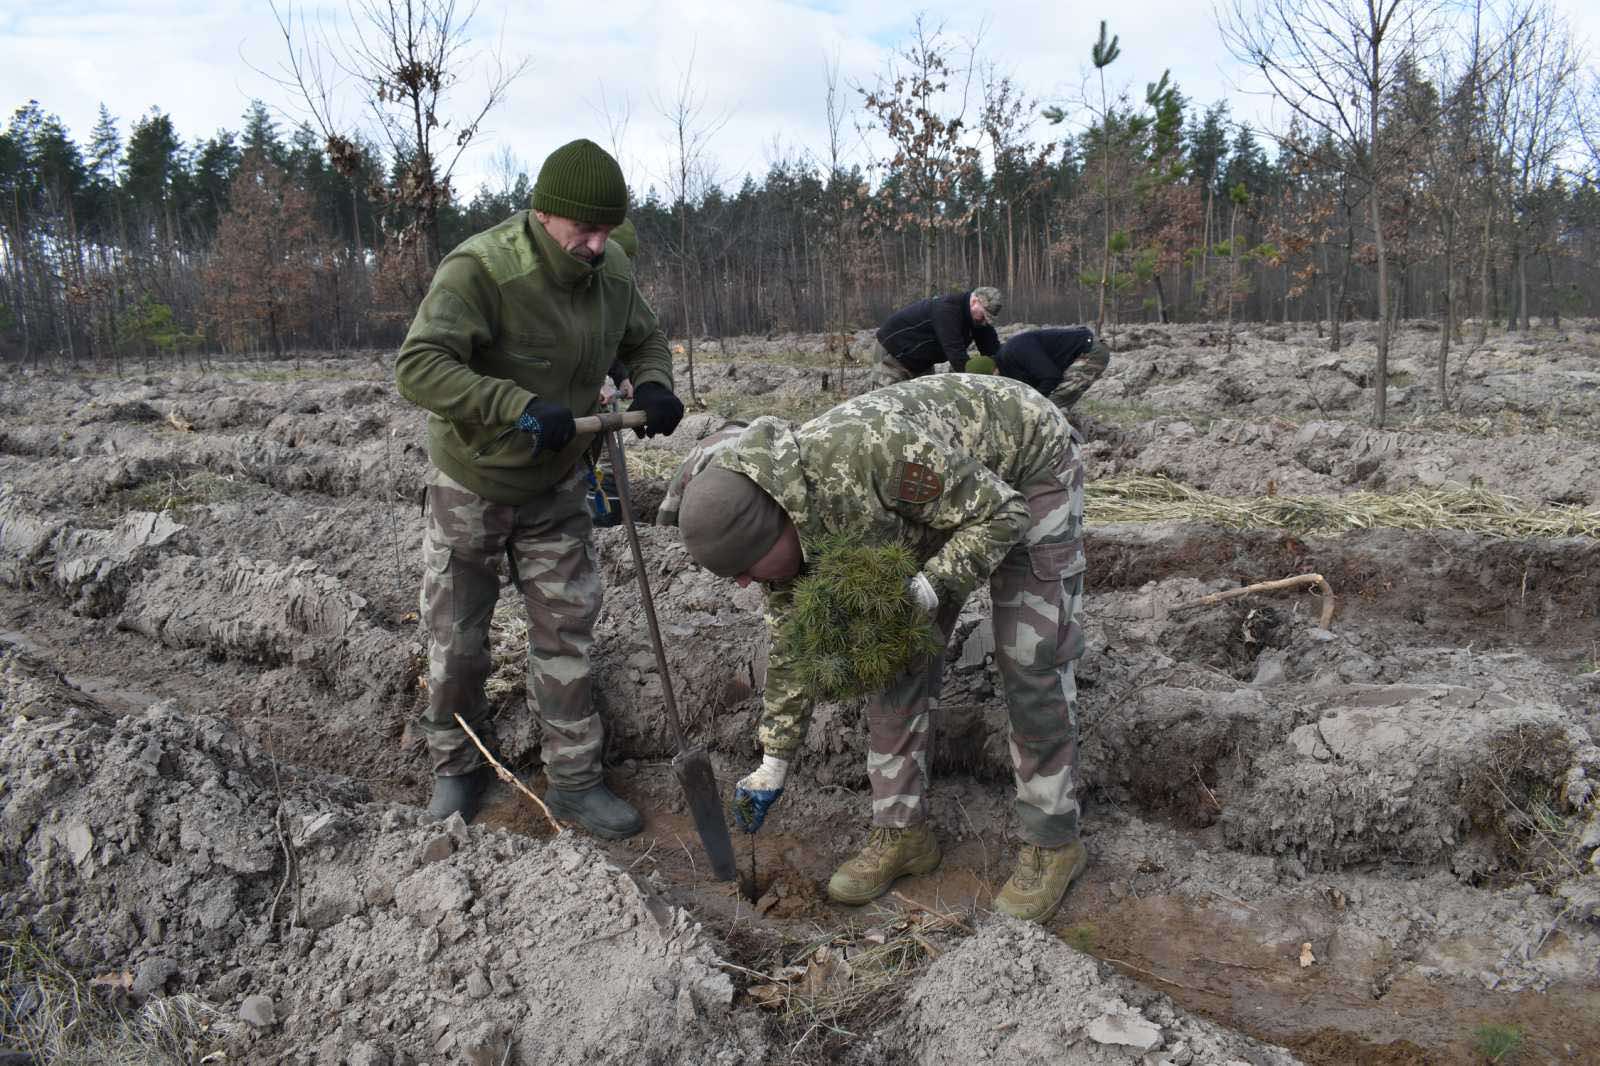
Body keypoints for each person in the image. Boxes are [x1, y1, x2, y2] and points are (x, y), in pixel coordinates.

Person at [670, 374, 1089, 923]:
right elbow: (795, 644)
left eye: (747, 570)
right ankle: (902, 833)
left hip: (1025, 465)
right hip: (932, 497)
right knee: (893, 660)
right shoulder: (785, 533)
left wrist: (930, 584)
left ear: (780, 527)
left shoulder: (870, 454)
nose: (747, 584)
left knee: (1030, 656)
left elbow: (1001, 513)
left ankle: (1053, 842)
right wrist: (773, 759)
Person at [395, 138, 685, 833]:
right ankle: (458, 769)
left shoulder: (610, 269)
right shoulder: (483, 270)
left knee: (567, 632)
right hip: (475, 480)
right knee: (459, 637)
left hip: (558, 485)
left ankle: (576, 781)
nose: (597, 244)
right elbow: (419, 366)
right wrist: (514, 404)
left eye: (608, 230)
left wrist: (654, 383)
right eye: (584, 229)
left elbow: (643, 338)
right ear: (544, 214)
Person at [873, 287, 1004, 386]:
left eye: (989, 319)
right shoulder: (947, 310)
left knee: (923, 407)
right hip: (894, 353)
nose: (985, 322)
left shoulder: (978, 321)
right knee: (885, 404)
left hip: (922, 361)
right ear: (975, 301)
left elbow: (993, 351)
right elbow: (957, 356)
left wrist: (1001, 371)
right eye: (984, 315)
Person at [989, 327, 1111, 411]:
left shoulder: (1015, 351)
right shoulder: (1009, 362)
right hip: (1079, 353)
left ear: (993, 370)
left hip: (1090, 351)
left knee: (1049, 405)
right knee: (1051, 403)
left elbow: (1051, 376)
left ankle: (1063, 439)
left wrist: (1034, 402)